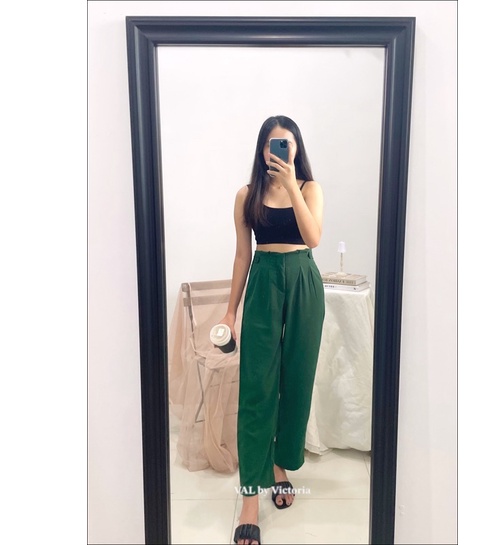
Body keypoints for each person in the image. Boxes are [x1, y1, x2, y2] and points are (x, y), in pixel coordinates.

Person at [219, 115, 325, 545]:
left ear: (296, 149)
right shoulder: (246, 195)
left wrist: (292, 186)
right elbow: (242, 255)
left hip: (303, 281)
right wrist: (230, 313)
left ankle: (280, 464)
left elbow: (313, 238)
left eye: (287, 143)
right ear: (261, 149)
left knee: (296, 381)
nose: (279, 150)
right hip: (263, 281)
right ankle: (250, 497)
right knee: (256, 388)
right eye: (272, 144)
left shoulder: (310, 189)